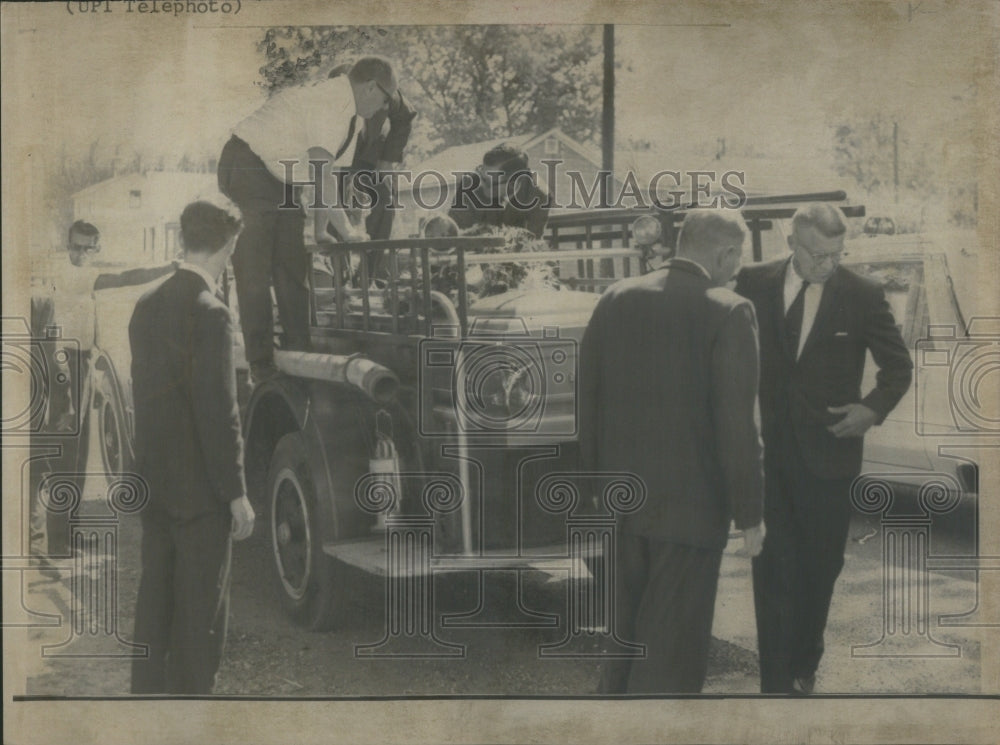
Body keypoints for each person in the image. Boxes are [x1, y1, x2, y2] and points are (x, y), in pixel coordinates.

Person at [581, 209, 766, 694]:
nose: (738, 268)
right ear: (724, 252)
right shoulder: (729, 309)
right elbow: (737, 426)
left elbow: (589, 399)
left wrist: (595, 490)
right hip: (690, 512)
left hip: (621, 505)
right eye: (738, 257)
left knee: (625, 644)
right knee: (672, 657)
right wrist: (751, 514)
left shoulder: (615, 297)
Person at [734, 202, 913, 695]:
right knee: (770, 569)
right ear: (791, 243)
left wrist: (871, 410)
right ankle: (775, 681)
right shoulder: (750, 282)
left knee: (819, 569)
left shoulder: (863, 294)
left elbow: (898, 368)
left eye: (835, 254)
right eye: (817, 254)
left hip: (829, 458)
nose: (827, 265)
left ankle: (803, 661)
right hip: (767, 456)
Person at [129, 201, 256, 695]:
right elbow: (218, 413)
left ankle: (145, 709)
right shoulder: (212, 313)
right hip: (201, 492)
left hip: (155, 483)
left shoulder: (146, 303)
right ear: (229, 246)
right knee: (199, 615)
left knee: (155, 601)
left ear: (183, 240)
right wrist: (236, 492)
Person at [217, 56, 398, 384]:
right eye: (385, 99)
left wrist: (321, 230)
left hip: (281, 175)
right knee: (256, 263)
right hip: (247, 161)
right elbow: (321, 173)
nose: (384, 108)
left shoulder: (352, 121)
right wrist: (348, 231)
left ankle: (299, 349)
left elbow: (324, 178)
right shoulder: (330, 99)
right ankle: (260, 365)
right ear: (371, 87)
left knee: (292, 262)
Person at [448, 143, 550, 239]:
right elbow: (452, 235)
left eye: (488, 182)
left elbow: (531, 241)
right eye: (481, 172)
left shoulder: (538, 195)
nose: (481, 184)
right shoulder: (470, 184)